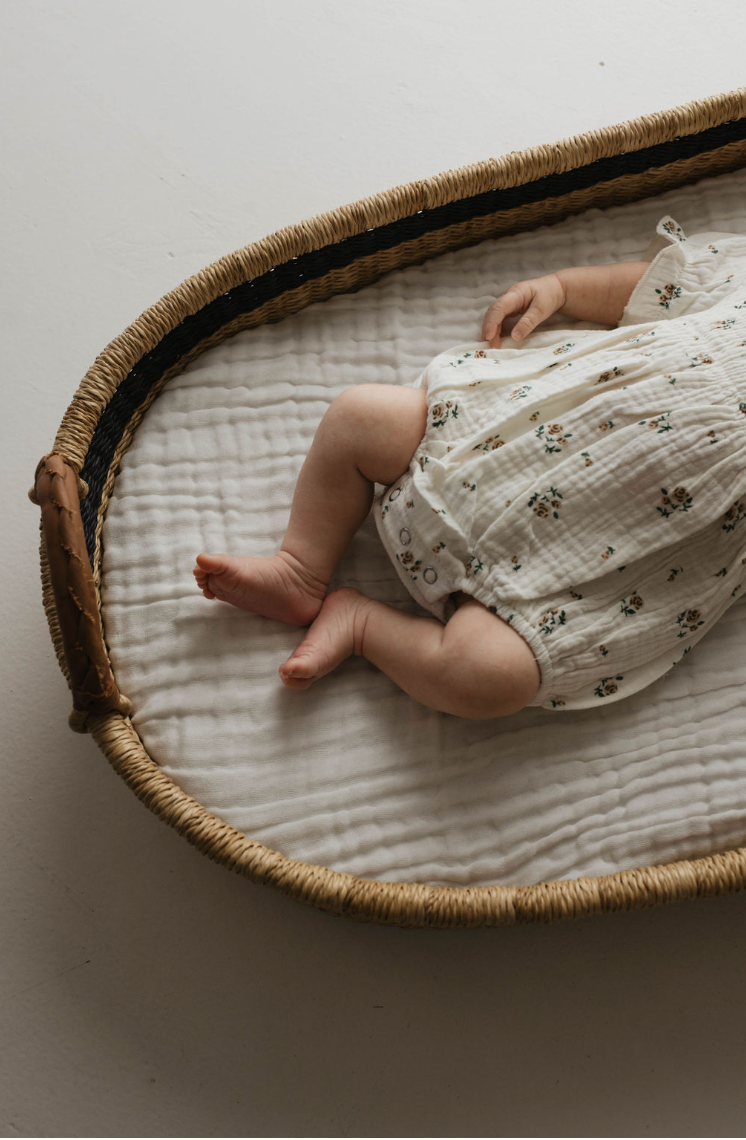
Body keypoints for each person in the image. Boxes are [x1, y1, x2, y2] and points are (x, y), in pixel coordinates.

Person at [194, 215, 746, 718]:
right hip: (487, 441)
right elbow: (662, 286)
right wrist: (561, 289)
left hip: (570, 578)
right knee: (360, 416)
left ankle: (361, 624)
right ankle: (301, 566)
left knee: (488, 677)